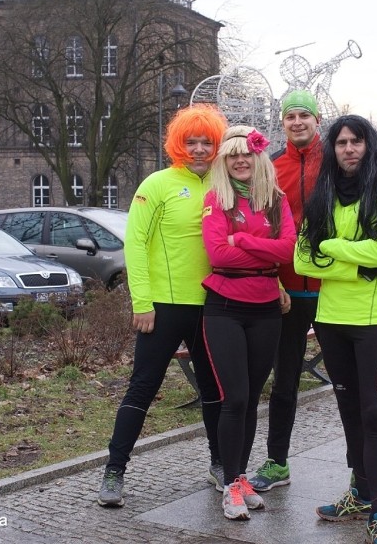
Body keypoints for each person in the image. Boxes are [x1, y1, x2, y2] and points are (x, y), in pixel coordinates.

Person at [97, 105, 228, 508]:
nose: (201, 149)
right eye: (192, 142)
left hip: (212, 307)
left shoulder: (224, 186)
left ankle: (220, 464)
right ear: (178, 144)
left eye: (208, 142)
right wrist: (142, 301)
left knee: (214, 391)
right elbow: (134, 244)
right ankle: (114, 472)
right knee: (142, 388)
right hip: (163, 308)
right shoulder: (157, 184)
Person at [293, 114, 377, 544]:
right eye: (341, 142)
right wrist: (354, 265)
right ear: (333, 148)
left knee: (374, 412)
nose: (348, 149)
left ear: (369, 145)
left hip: (375, 318)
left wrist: (331, 247)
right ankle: (359, 493)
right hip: (332, 319)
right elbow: (301, 260)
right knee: (348, 412)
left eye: (356, 141)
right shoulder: (322, 195)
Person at [200, 125, 296, 520]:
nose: (241, 160)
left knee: (252, 398)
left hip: (266, 309)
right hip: (224, 307)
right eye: (233, 154)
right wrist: (264, 255)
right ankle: (230, 485)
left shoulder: (276, 199)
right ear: (224, 161)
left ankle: (240, 478)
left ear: (258, 158)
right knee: (235, 398)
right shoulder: (216, 198)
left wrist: (245, 242)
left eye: (247, 154)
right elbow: (218, 256)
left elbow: (288, 250)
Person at [248, 89, 323, 492]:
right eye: (290, 116)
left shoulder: (336, 161)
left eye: (304, 116)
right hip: (289, 289)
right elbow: (261, 225)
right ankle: (277, 462)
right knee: (285, 381)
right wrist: (274, 279)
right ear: (283, 123)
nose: (297, 122)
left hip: (334, 289)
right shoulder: (272, 166)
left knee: (347, 381)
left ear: (317, 120)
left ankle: (359, 468)